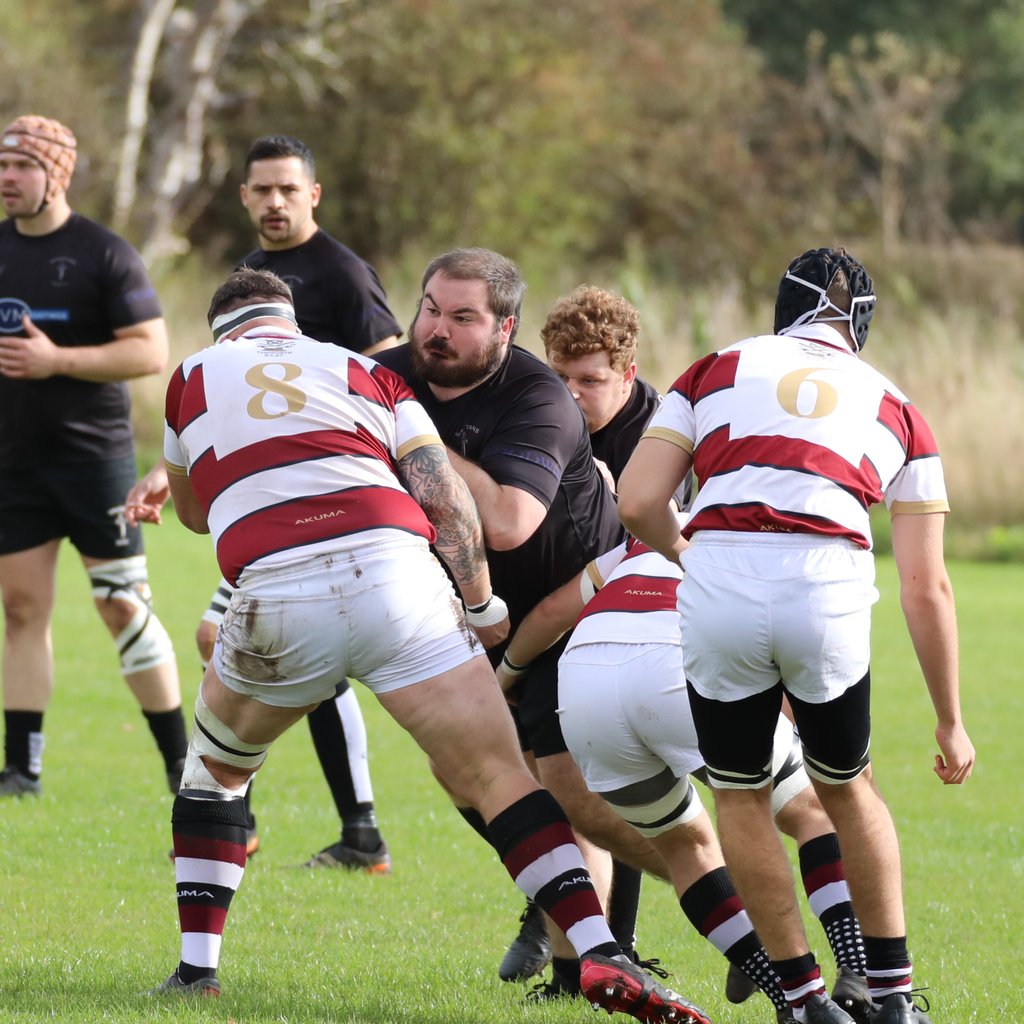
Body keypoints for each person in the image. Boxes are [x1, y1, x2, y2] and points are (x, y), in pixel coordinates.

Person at [147, 267, 711, 1024]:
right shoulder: (354, 367)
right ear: (290, 322)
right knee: (500, 776)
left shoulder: (192, 376)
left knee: (214, 777)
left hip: (280, 596)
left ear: (222, 332)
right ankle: (598, 950)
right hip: (399, 577)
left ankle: (195, 973)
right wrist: (480, 607)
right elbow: (440, 491)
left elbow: (192, 511)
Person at [617, 246, 975, 1024]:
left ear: (784, 308)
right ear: (862, 326)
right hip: (827, 584)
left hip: (722, 584)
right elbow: (927, 586)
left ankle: (806, 1002)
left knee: (742, 798)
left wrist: (690, 552)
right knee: (849, 788)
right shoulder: (900, 406)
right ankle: (893, 999)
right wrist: (949, 720)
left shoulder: (713, 368)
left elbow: (639, 499)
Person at [376, 250, 677, 998]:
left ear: (502, 329)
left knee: (573, 792)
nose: (437, 329)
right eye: (430, 309)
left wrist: (415, 445)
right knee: (469, 779)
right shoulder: (387, 371)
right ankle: (567, 908)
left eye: (462, 316)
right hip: (479, 618)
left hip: (588, 616)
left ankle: (626, 943)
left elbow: (514, 527)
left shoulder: (606, 419)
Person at [135, 134, 402, 871]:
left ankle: (281, 819)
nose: (275, 201)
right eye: (262, 190)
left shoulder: (343, 276)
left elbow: (389, 382)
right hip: (270, 503)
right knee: (236, 642)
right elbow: (222, 395)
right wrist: (171, 471)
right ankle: (343, 830)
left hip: (332, 502)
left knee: (236, 639)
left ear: (313, 194)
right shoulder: (248, 274)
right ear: (246, 196)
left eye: (289, 188)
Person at [496, 520, 872, 1024]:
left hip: (583, 687)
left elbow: (549, 614)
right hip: (674, 664)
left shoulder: (638, 542)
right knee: (813, 811)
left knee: (686, 847)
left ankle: (789, 1000)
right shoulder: (753, 530)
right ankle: (856, 974)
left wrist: (504, 678)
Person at [0, 114, 187, 798]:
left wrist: (57, 361)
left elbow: (150, 350)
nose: (7, 180)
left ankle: (181, 767)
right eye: (2, 166)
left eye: (21, 166)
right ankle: (21, 769)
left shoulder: (103, 253)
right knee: (21, 610)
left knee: (121, 605)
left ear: (57, 172)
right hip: (14, 463)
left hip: (95, 460)